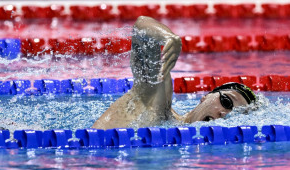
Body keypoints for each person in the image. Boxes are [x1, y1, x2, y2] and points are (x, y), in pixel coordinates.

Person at [92, 16, 256, 130]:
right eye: (226, 102)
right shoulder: (157, 107)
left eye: (234, 114)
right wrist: (170, 38)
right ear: (205, 96)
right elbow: (141, 25)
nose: (224, 114)